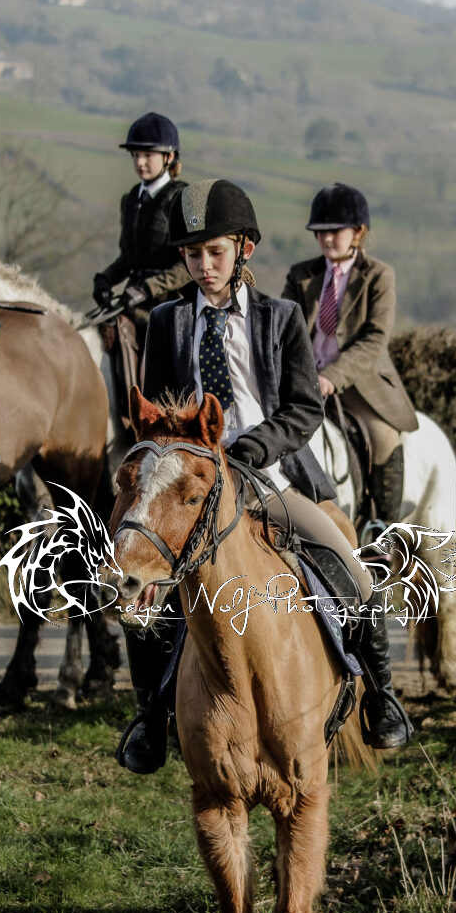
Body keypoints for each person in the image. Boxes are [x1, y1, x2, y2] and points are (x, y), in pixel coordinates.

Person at [118, 178, 413, 775]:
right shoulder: (167, 322)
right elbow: (158, 414)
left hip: (269, 477)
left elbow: (303, 407)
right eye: (193, 254)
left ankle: (381, 698)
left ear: (243, 250)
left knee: (351, 571)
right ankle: (150, 715)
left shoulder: (281, 317)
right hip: (193, 485)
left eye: (215, 252)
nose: (204, 265)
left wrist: (255, 445)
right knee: (139, 585)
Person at [282, 183, 418, 527]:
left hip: (359, 382)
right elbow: (285, 331)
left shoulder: (379, 276)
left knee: (383, 439)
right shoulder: (301, 275)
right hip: (306, 379)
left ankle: (382, 530)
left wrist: (332, 377)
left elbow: (375, 338)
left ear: (358, 232)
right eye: (320, 232)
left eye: (335, 231)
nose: (326, 239)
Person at [92, 112, 188, 352]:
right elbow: (128, 259)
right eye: (135, 155)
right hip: (132, 303)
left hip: (170, 306)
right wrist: (105, 279)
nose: (139, 162)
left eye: (147, 155)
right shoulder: (131, 199)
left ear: (169, 157)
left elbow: (188, 265)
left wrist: (148, 288)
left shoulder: (182, 199)